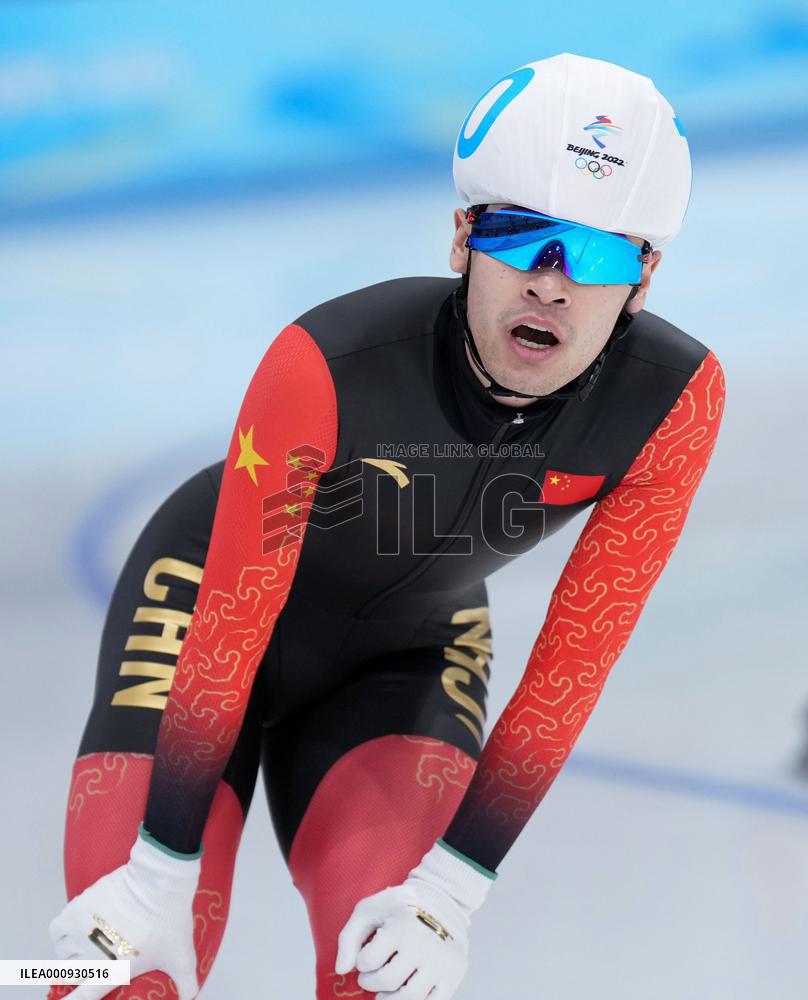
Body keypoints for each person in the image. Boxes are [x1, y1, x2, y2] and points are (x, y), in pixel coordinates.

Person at [48, 51, 726, 1000]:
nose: (552, 283)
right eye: (521, 234)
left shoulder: (674, 403)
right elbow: (236, 622)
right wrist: (157, 874)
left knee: (385, 982)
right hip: (202, 615)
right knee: (100, 975)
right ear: (462, 238)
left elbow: (577, 662)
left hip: (407, 661)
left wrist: (450, 894)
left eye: (600, 252)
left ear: (644, 278)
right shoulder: (325, 363)